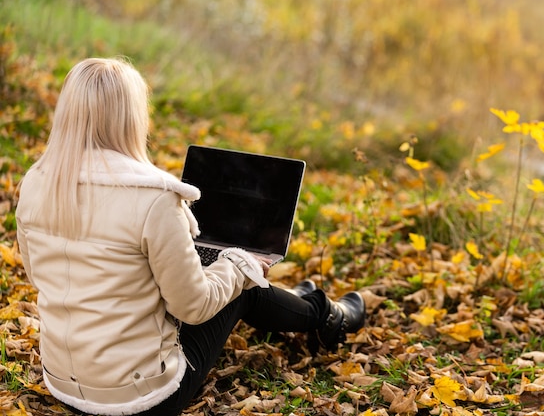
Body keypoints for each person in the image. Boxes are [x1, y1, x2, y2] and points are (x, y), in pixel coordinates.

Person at [15, 57, 366, 416]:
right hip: (139, 399)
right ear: (133, 117)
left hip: (63, 384)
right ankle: (326, 318)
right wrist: (238, 263)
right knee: (241, 278)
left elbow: (39, 274)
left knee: (224, 270)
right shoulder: (153, 198)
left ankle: (302, 303)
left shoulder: (37, 182)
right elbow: (193, 308)